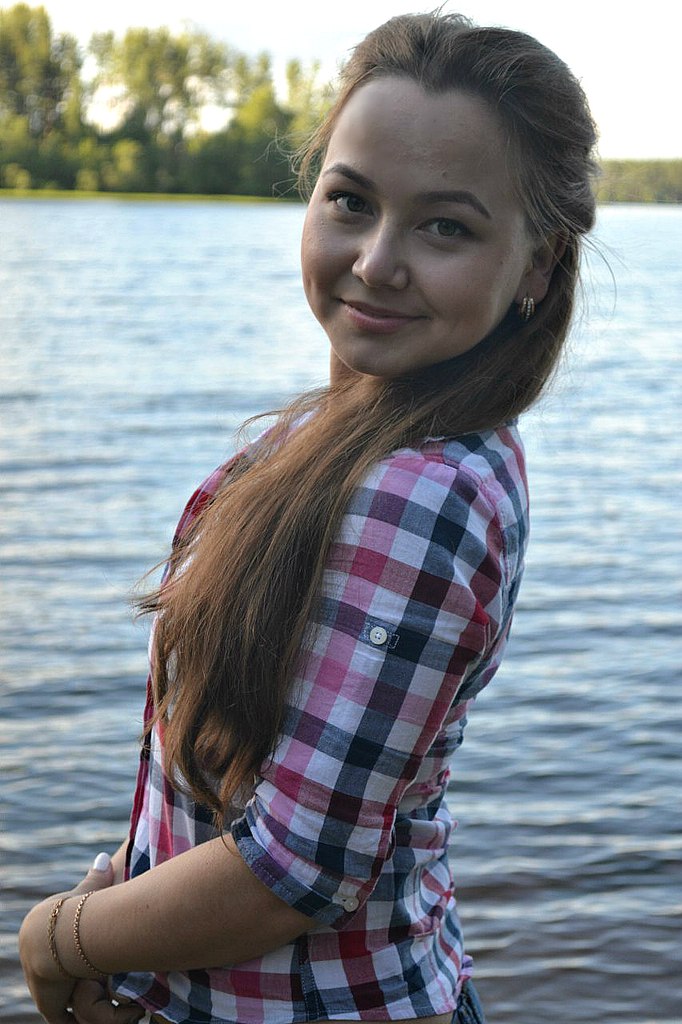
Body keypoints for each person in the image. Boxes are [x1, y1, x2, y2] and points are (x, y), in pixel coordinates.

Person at [19, 11, 597, 1024]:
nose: (376, 261)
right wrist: (130, 882)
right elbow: (245, 777)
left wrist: (57, 937)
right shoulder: (343, 432)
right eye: (351, 201)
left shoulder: (424, 490)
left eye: (445, 227)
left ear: (538, 266)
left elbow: (295, 867)